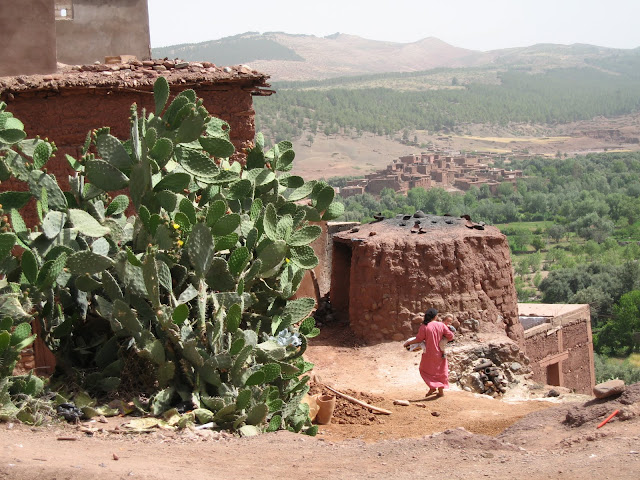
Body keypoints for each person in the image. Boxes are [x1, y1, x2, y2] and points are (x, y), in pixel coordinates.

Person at [403, 308, 454, 398]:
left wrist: (408, 343)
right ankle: (440, 391)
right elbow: (450, 336)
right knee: (440, 371)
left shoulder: (424, 326)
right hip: (440, 352)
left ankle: (432, 387)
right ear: (435, 316)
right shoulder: (441, 325)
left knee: (424, 370)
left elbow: (419, 339)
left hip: (428, 353)